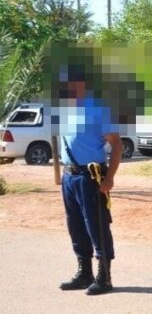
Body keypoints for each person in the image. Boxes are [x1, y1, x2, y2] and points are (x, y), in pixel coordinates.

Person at [55, 64, 122, 296]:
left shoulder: (98, 109)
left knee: (97, 226)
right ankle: (84, 272)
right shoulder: (65, 110)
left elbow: (117, 144)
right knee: (75, 225)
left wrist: (110, 178)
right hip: (70, 176)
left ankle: (104, 276)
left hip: (91, 176)